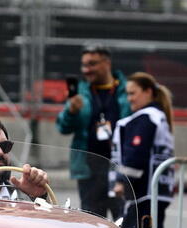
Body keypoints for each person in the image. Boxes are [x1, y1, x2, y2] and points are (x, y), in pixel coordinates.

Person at [56, 44, 131, 218]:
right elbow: (63, 127)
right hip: (89, 170)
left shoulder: (127, 91)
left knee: (125, 222)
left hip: (120, 169)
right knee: (92, 225)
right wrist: (71, 112)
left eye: (92, 64)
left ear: (107, 63)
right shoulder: (80, 93)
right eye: (84, 65)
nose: (86, 70)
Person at [110, 72, 175, 228]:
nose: (129, 98)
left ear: (148, 92)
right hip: (157, 191)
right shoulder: (158, 116)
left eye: (133, 93)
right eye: (127, 94)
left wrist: (122, 181)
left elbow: (136, 154)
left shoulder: (146, 118)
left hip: (143, 194)